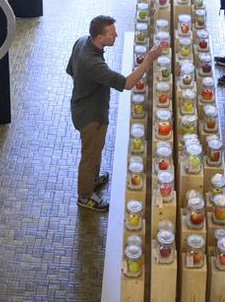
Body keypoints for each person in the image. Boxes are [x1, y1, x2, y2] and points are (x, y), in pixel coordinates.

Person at [67, 14, 168, 211]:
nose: (116, 36)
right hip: (90, 116)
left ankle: (93, 180)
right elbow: (128, 83)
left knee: (97, 150)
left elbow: (71, 70)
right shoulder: (93, 64)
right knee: (90, 156)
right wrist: (148, 59)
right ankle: (85, 196)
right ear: (100, 37)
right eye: (112, 34)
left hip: (83, 106)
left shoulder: (82, 42)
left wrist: (87, 86)